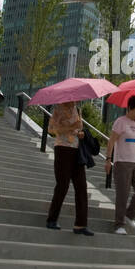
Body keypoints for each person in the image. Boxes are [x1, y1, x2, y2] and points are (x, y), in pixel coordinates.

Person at [46, 100, 93, 235]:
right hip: (62, 149)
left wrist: (80, 133)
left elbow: (79, 129)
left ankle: (81, 224)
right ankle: (52, 219)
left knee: (81, 186)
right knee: (63, 185)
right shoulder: (58, 109)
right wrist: (71, 127)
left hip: (77, 151)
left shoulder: (77, 109)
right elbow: (52, 129)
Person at [105, 95, 135, 234]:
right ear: (130, 107)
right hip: (122, 162)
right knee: (122, 194)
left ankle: (129, 215)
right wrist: (108, 159)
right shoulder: (121, 122)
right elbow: (111, 141)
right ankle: (119, 224)